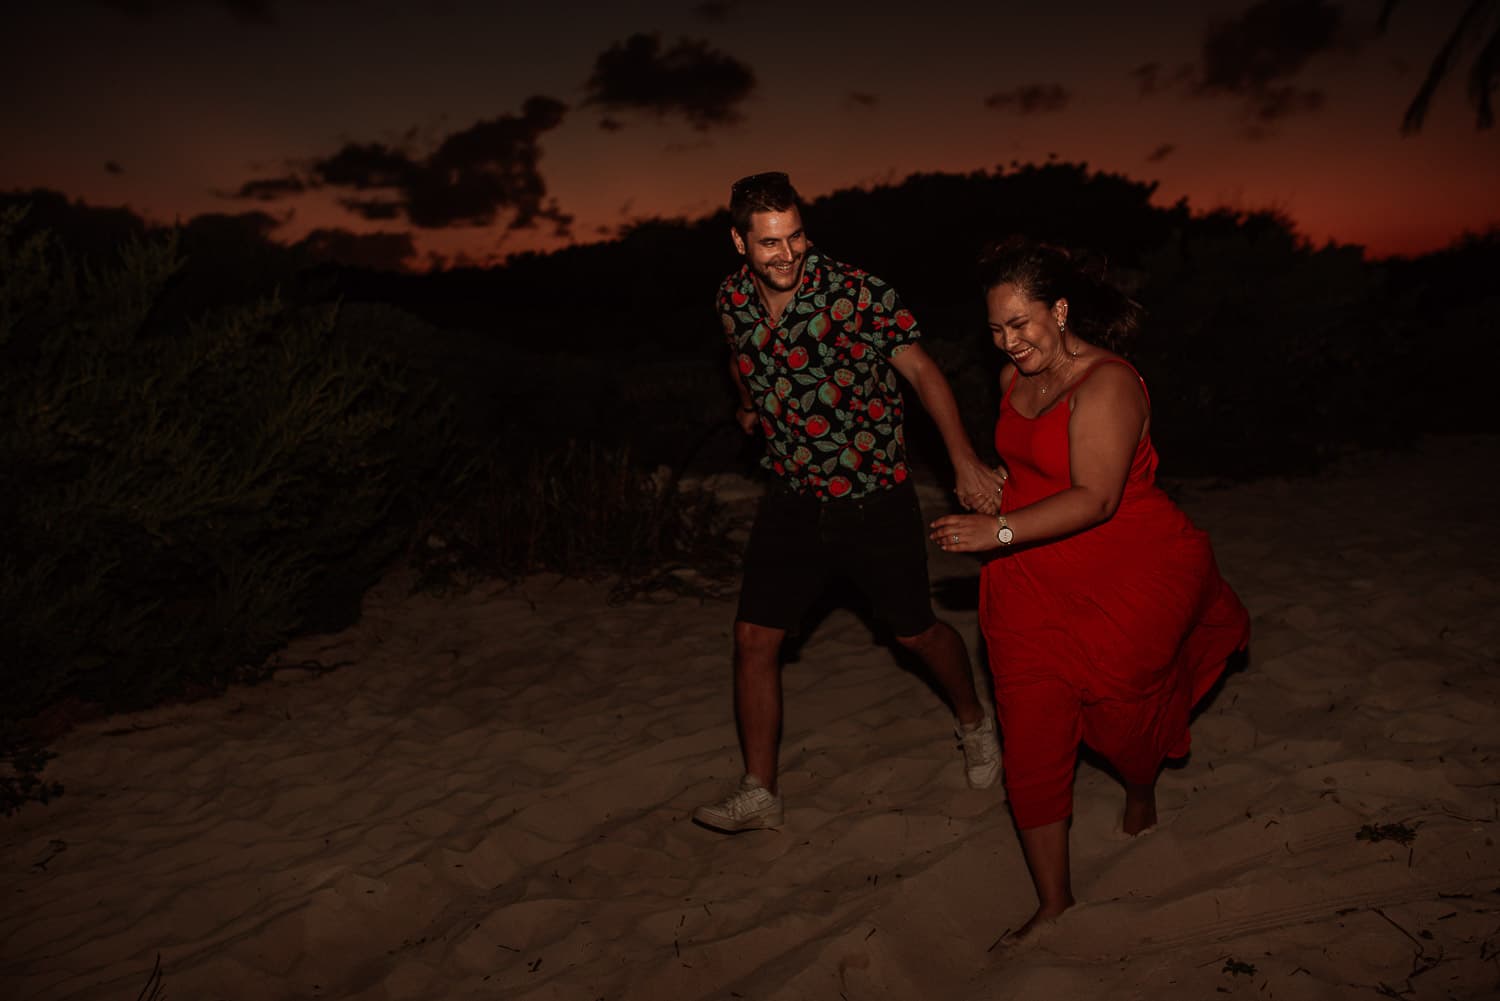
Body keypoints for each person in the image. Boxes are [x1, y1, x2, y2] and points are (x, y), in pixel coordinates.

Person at [929, 237, 1250, 938]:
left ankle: (1140, 785)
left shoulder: (1108, 383)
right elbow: (1033, 470)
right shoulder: (1017, 380)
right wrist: (990, 487)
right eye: (995, 330)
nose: (1009, 342)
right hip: (1030, 582)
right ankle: (1054, 901)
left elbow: (1097, 496)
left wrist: (1000, 531)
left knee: (1125, 726)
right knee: (1033, 739)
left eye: (1021, 324)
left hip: (1123, 576)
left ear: (1062, 309)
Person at [692, 171, 1006, 834]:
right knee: (753, 638)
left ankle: (974, 722)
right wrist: (749, 404)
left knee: (914, 631)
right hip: (793, 495)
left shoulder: (856, 292)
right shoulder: (731, 298)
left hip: (871, 495)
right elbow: (739, 353)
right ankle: (760, 790)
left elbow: (922, 370)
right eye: (770, 242)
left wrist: (965, 459)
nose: (787, 253)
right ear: (739, 242)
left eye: (796, 236)